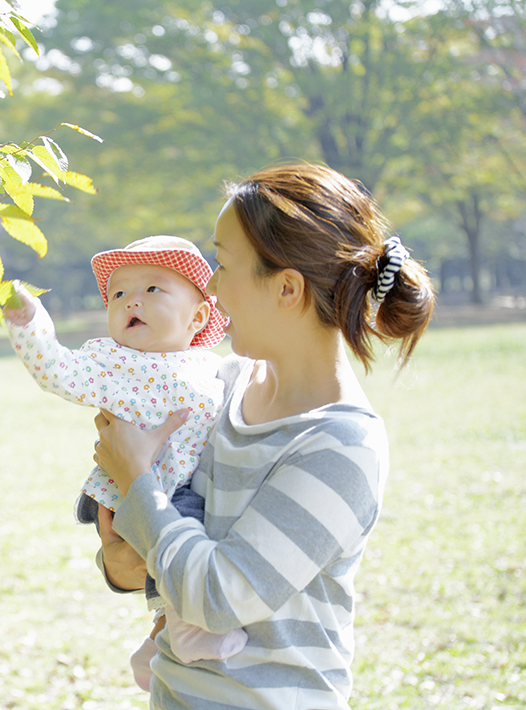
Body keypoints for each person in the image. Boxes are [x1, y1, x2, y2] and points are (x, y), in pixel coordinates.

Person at [91, 163, 435, 709]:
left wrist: (136, 481)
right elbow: (149, 553)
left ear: (286, 288)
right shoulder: (218, 387)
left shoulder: (341, 446)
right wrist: (120, 559)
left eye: (223, 265)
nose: (208, 285)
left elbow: (217, 597)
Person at [2, 235, 247, 690]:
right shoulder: (113, 363)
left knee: (195, 533)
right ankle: (185, 630)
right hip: (131, 492)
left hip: (180, 487)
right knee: (186, 535)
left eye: (153, 289)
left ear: (198, 316)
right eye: (119, 294)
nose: (132, 299)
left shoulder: (215, 366)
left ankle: (161, 636)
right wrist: (29, 322)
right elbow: (57, 370)